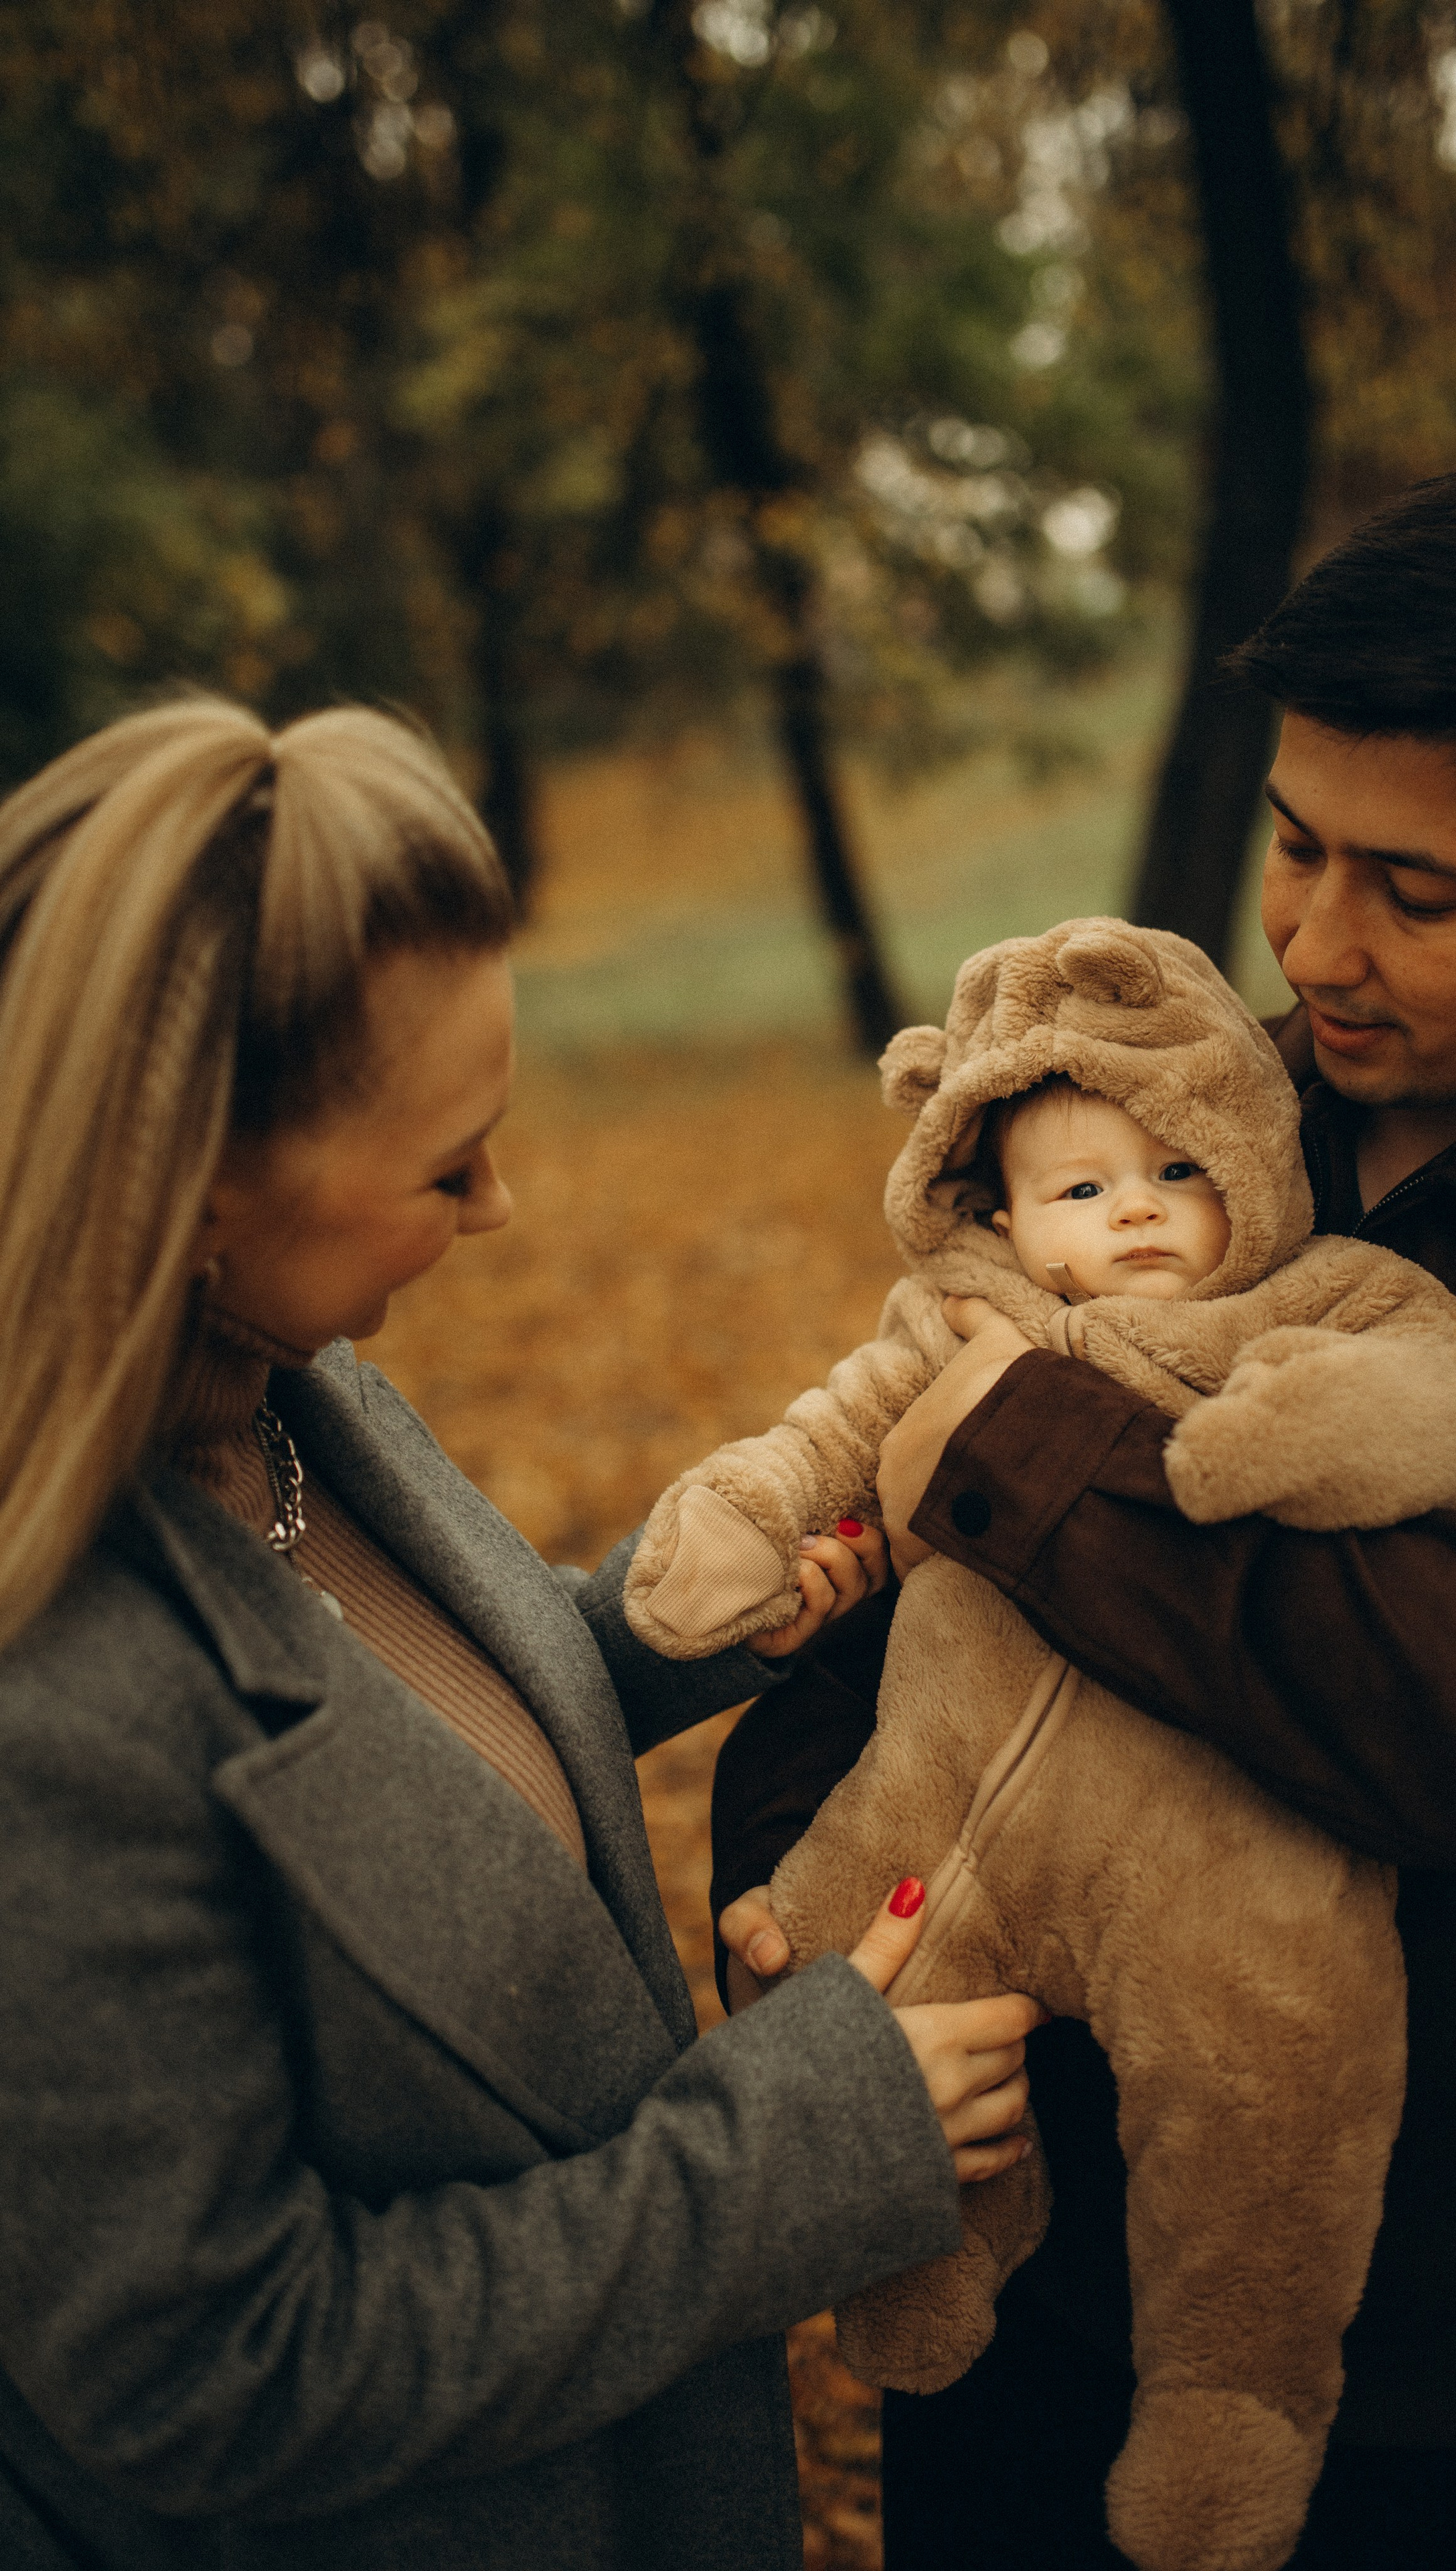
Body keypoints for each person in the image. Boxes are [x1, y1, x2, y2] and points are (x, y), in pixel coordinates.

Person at [711, 439, 1456, 2571]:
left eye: (1412, 892)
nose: (1317, 947)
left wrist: (1031, 1460)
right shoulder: (1212, 1119)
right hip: (1022, 2306)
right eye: (1292, 846)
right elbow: (893, 1526)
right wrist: (808, 1919)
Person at [0, 696, 1043, 2571]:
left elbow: (396, 1734)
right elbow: (215, 2370)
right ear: (194, 1188)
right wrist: (781, 2159)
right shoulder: (46, 1700)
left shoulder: (273, 1386)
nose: (503, 1206)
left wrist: (700, 1609)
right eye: (444, 1165)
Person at [625, 915, 1456, 2569]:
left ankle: (1229, 2405)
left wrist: (1277, 1436)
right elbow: (831, 1434)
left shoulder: (1313, 1297)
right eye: (1082, 1188)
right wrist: (752, 1522)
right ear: (1007, 1217)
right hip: (942, 1805)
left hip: (1225, 1858)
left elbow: (1440, 1403)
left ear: (1249, 1160)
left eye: (1179, 1168)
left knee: (1266, 2111)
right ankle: (922, 2258)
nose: (1139, 1214)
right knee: (835, 1964)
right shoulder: (961, 1322)